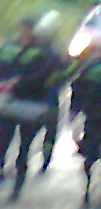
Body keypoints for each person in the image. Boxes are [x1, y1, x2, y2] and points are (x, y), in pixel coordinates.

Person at [0, 16, 64, 198]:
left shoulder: (48, 53)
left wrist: (18, 82)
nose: (25, 33)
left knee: (24, 146)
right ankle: (0, 171)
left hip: (35, 104)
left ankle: (17, 187)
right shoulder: (12, 47)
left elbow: (48, 76)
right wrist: (0, 83)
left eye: (28, 30)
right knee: (0, 143)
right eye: (23, 29)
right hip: (11, 102)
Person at [68, 35, 101, 207]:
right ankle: (89, 191)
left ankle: (88, 192)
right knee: (90, 155)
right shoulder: (90, 69)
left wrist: (74, 113)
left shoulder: (89, 68)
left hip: (93, 119)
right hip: (94, 118)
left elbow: (77, 90)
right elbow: (78, 89)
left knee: (90, 156)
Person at [35, 10, 66, 172]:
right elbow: (64, 72)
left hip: (36, 95)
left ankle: (41, 158)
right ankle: (46, 160)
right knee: (50, 130)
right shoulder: (55, 51)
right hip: (49, 96)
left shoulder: (32, 49)